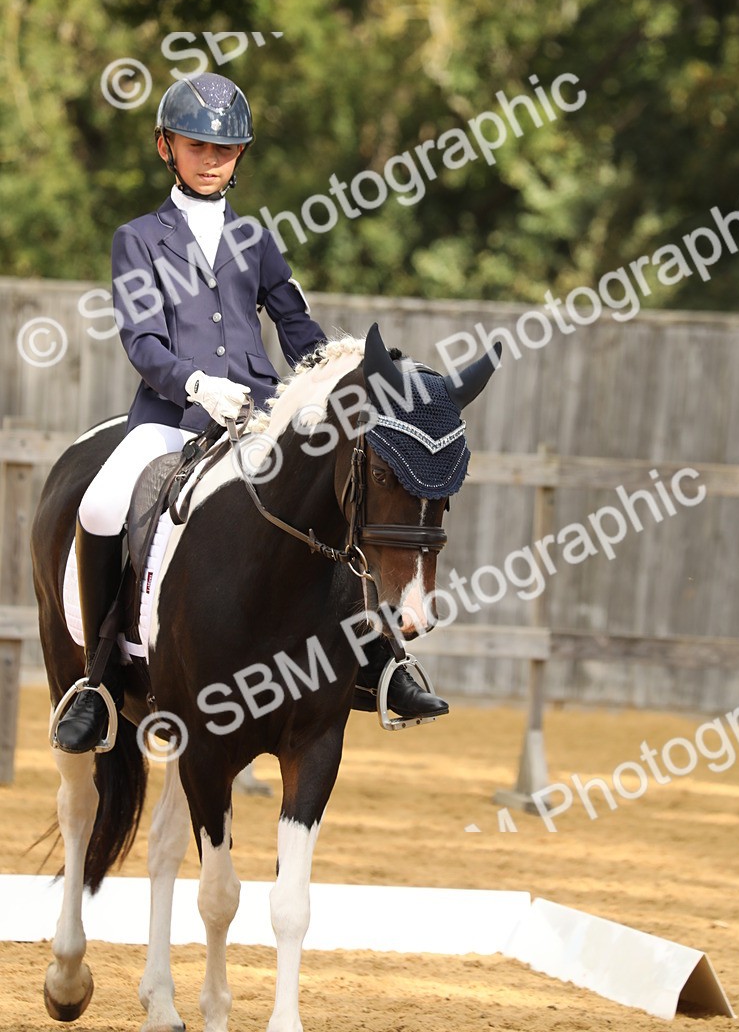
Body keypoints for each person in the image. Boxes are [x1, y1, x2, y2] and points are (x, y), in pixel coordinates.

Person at [55, 73, 447, 753]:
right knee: (99, 507)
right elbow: (142, 341)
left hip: (260, 419)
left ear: (240, 158)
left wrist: (334, 375)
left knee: (339, 495)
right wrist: (196, 383)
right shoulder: (137, 239)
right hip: (169, 418)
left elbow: (296, 325)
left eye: (225, 149)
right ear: (165, 148)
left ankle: (383, 662)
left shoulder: (257, 240)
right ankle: (97, 682)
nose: (212, 159)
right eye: (197, 146)